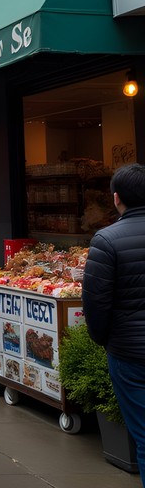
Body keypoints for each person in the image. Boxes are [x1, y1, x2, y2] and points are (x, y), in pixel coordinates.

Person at [83, 163, 145, 482]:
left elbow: (96, 304)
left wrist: (103, 339)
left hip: (130, 354)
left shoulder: (106, 240)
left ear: (116, 198)